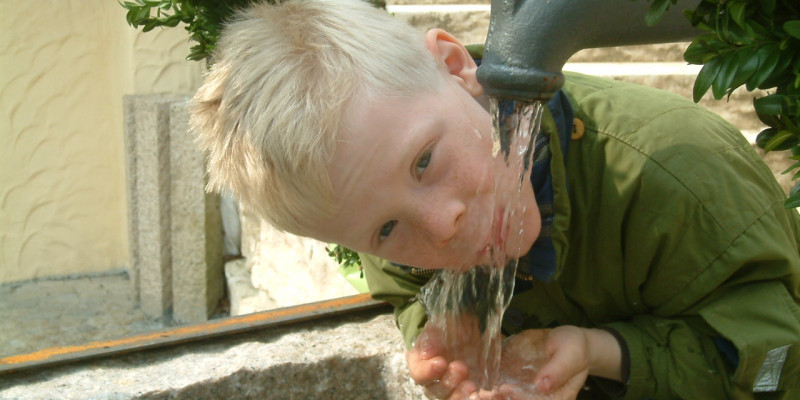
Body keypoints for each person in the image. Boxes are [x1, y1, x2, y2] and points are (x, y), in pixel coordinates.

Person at [188, 0, 800, 398]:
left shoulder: (678, 176)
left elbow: (779, 358)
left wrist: (606, 352)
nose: (441, 226)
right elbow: (399, 284)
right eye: (385, 231)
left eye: (425, 161)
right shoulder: (372, 194)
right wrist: (440, 328)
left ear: (455, 66)